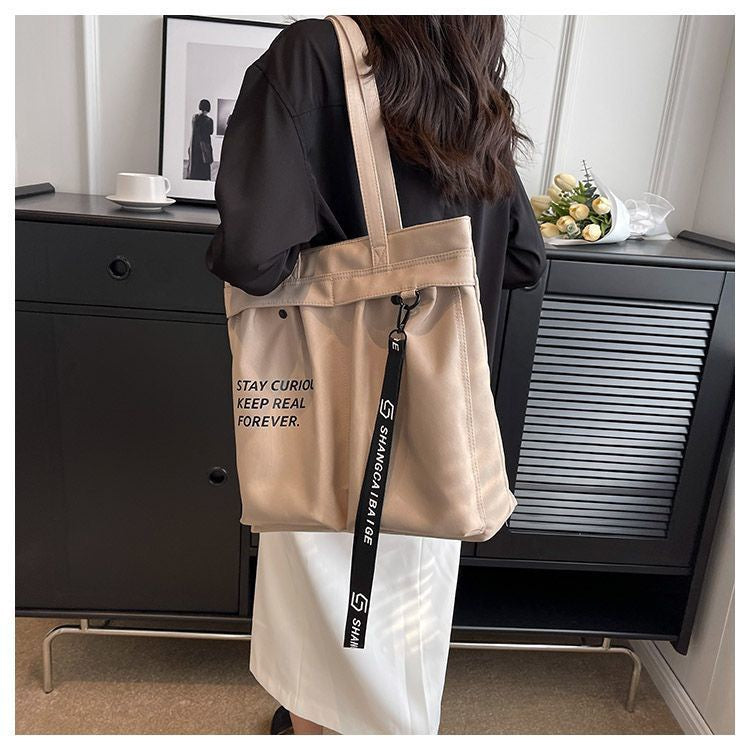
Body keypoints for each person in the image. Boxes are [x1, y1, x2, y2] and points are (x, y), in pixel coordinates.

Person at [206, 16, 546, 735]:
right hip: (442, 417)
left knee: (330, 633)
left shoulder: (313, 55)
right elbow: (524, 256)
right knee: (402, 643)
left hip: (335, 411)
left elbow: (253, 258)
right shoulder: (473, 84)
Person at [187, 98, 214, 180]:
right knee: (205, 164)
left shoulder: (194, 118)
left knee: (195, 164)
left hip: (195, 145)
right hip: (204, 145)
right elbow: (211, 132)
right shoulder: (209, 120)